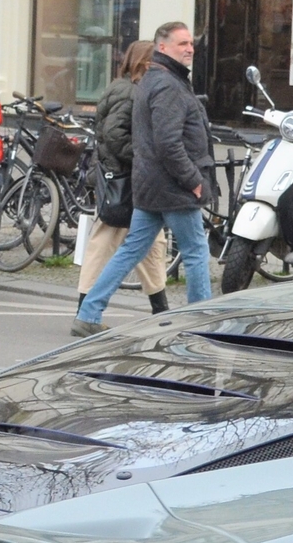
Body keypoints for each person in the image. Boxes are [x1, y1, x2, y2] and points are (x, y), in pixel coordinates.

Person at [74, 22, 213, 336]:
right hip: (172, 188)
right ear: (162, 47)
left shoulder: (156, 80)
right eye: (182, 44)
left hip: (150, 185)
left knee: (131, 249)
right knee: (195, 251)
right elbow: (167, 143)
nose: (189, 48)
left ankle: (89, 313)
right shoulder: (168, 85)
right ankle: (201, 321)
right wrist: (193, 180)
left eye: (190, 43)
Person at [79, 40, 175, 318]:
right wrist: (144, 155)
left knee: (146, 243)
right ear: (145, 63)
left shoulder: (126, 88)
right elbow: (114, 133)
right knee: (115, 242)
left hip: (125, 178)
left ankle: (160, 309)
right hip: (126, 179)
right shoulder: (130, 92)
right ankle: (87, 309)